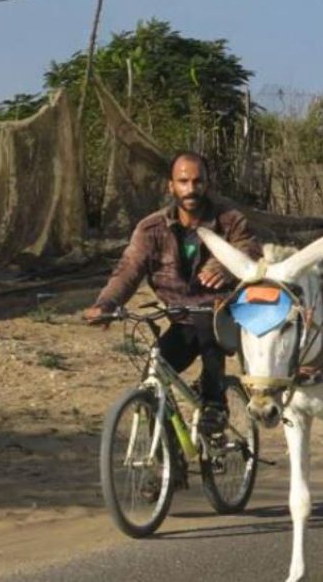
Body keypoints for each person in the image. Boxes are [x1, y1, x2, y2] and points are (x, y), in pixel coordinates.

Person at [83, 151, 261, 433]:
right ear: (171, 186)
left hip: (223, 315)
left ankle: (215, 403)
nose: (191, 189)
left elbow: (250, 250)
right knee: (153, 381)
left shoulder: (229, 219)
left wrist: (227, 267)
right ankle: (171, 465)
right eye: (183, 181)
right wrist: (106, 304)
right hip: (180, 318)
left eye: (197, 181)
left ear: (207, 184)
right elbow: (128, 270)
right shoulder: (151, 229)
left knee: (207, 322)